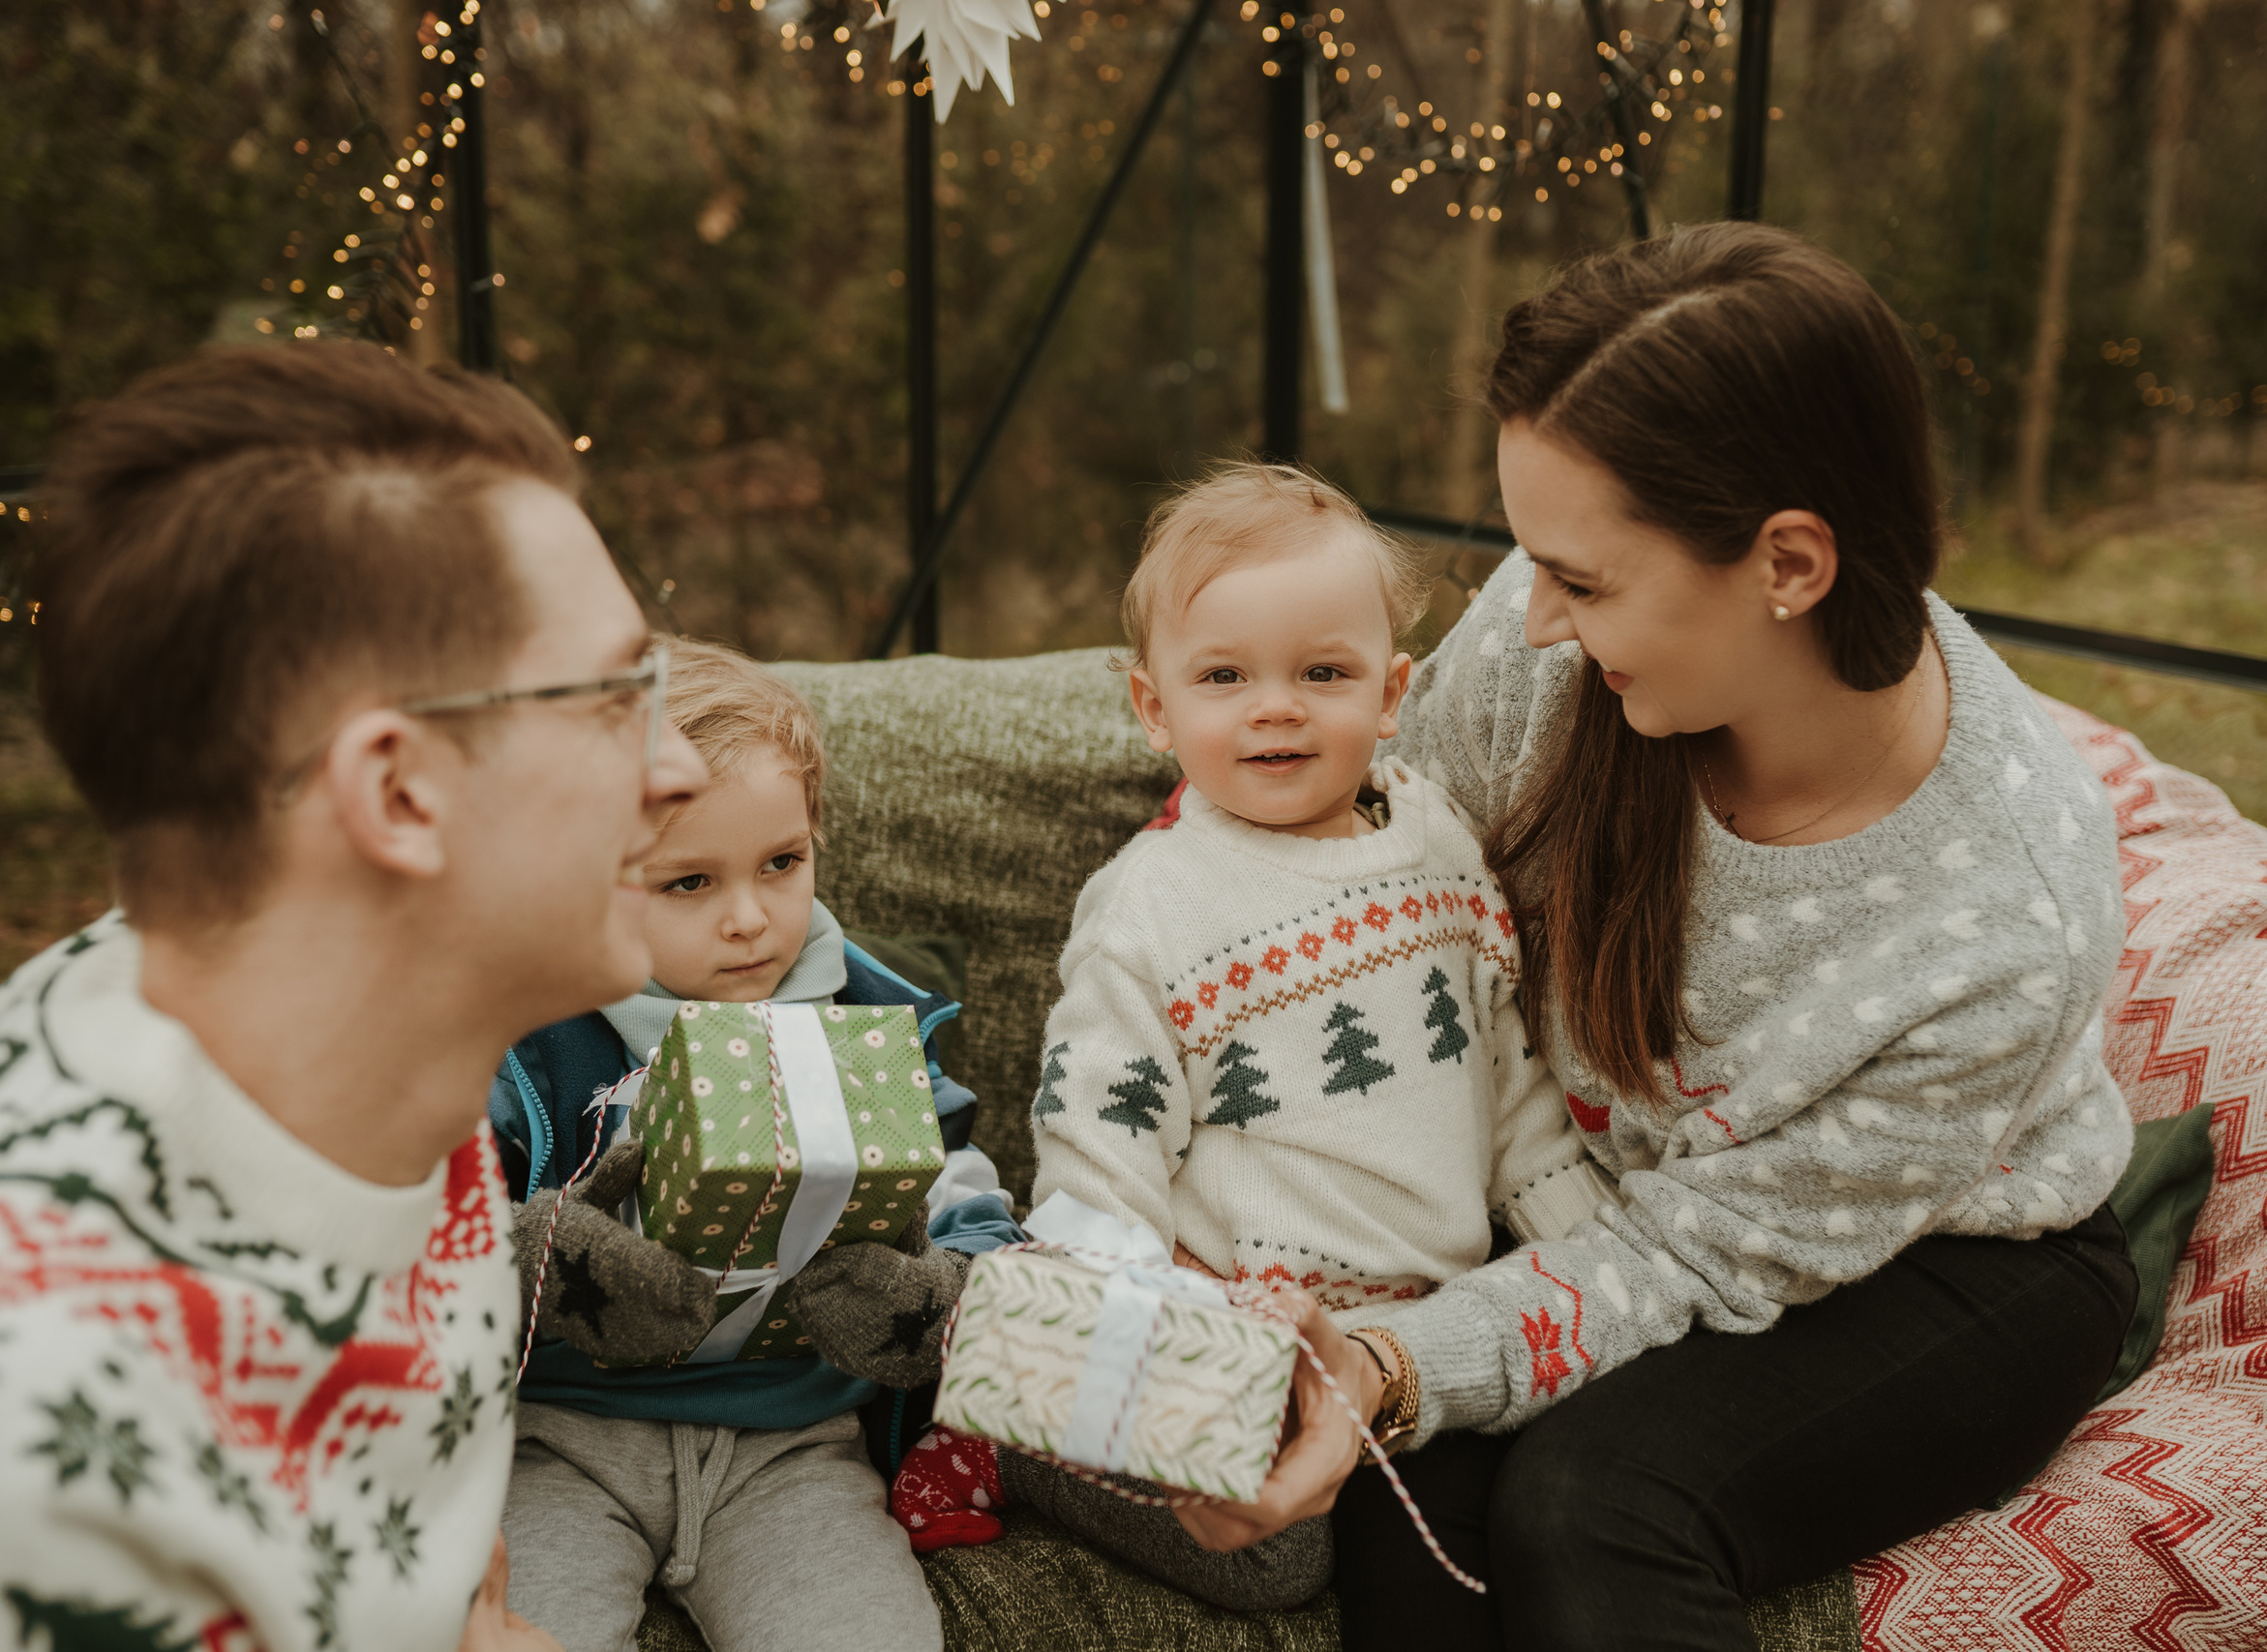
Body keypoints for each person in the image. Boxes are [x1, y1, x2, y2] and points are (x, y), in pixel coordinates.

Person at [1169, 224, 2144, 1651]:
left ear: (1788, 563)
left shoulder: (2003, 921)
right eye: (1533, 560)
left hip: (1947, 1261)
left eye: (1584, 579)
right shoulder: (1550, 663)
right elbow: (1362, 881)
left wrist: (1391, 1358)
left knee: (1590, 1502)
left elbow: (1680, 1259)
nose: (1532, 620)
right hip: (1606, 1193)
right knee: (1411, 1492)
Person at [787, 463, 1613, 1612]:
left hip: (1416, 1329)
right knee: (1279, 1558)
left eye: (1323, 672)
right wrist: (1117, 1327)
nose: (1275, 707)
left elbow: (1507, 1073)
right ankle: (1006, 1425)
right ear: (1154, 707)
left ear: (1391, 693)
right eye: (1224, 676)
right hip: (1226, 1310)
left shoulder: (1438, 844)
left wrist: (1584, 1246)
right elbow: (1101, 1131)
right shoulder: (1152, 906)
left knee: (1554, 1471)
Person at [0, 341, 708, 1651]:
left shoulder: (378, 1054)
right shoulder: (58, 1449)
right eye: (620, 696)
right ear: (397, 792)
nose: (683, 767)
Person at [490, 639, 1019, 1652]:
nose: (749, 920)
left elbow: (972, 1207)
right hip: (561, 1440)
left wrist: (936, 1292)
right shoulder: (532, 1033)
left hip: (796, 1448)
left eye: (782, 863)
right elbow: (438, 1236)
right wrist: (549, 1259)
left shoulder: (873, 1017)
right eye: (688, 882)